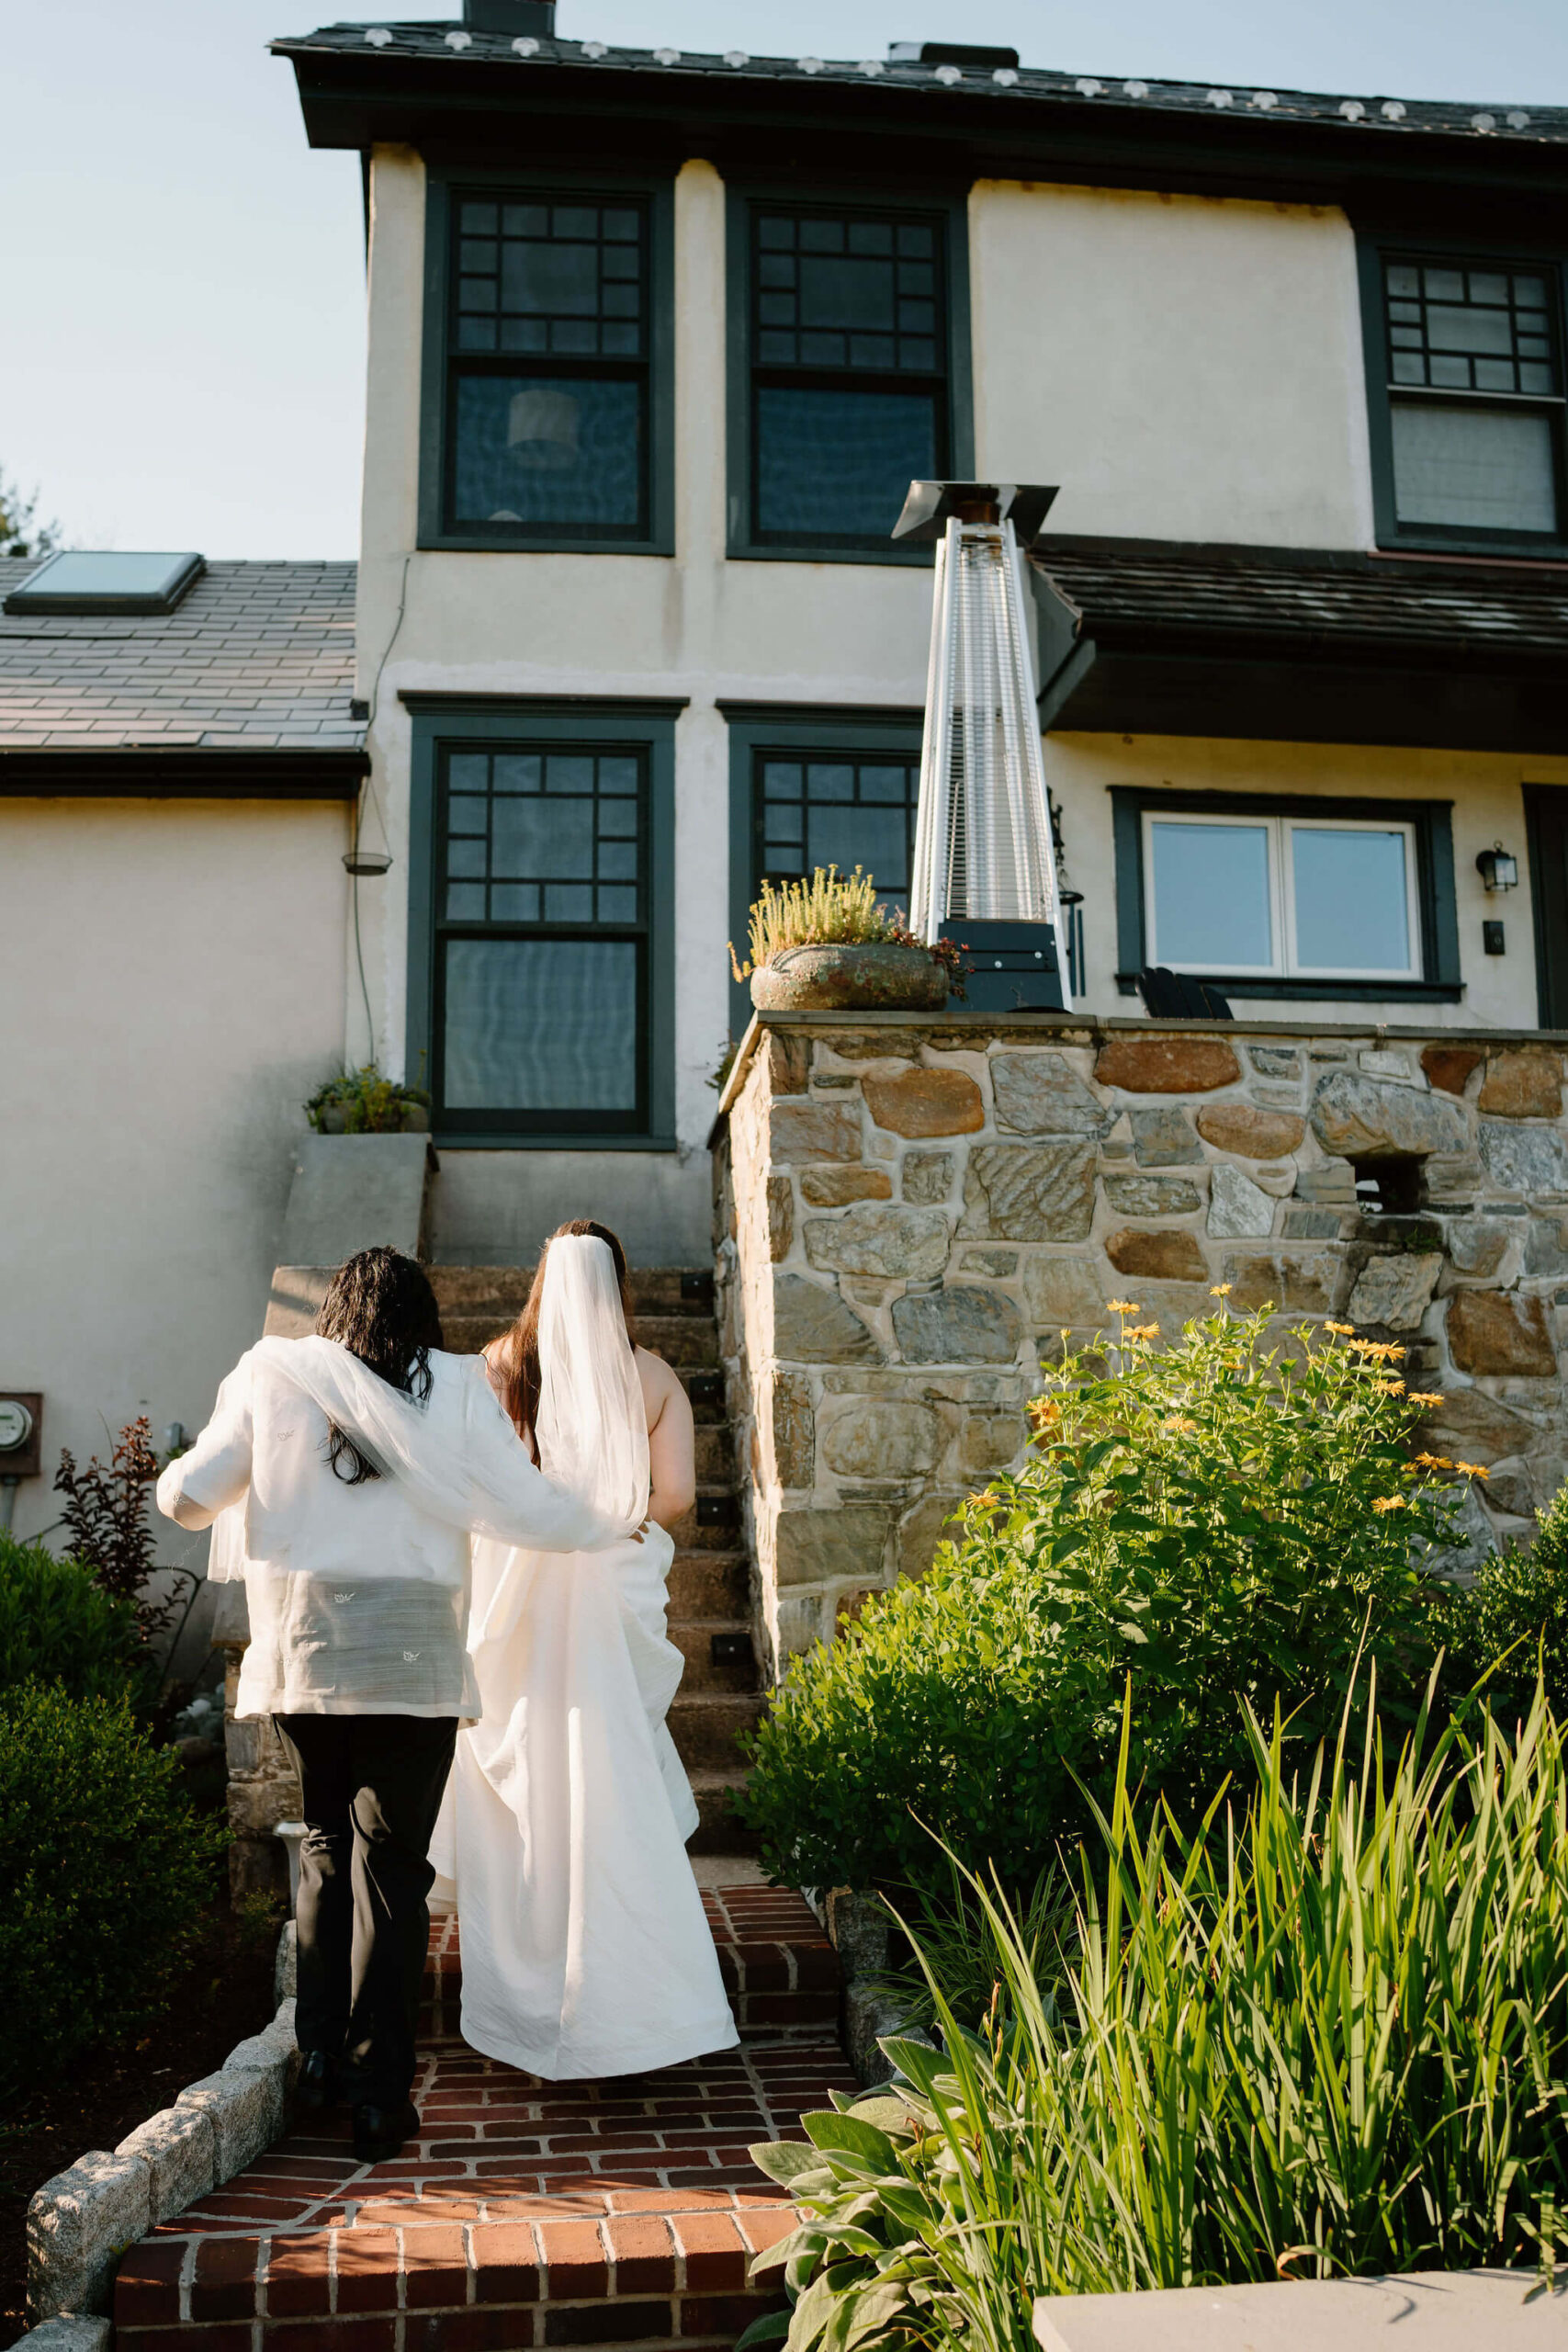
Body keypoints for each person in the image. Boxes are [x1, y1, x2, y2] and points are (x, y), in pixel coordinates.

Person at [156, 1246, 632, 2163]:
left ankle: (320, 2056)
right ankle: (380, 2097)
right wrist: (608, 1513)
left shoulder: (271, 1374)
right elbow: (528, 1504)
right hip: (411, 1655)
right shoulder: (454, 1387)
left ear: (331, 1311)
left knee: (326, 1847)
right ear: (425, 1318)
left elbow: (188, 1498)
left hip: (308, 1648)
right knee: (394, 1871)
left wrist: (201, 1469)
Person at [430, 1220, 739, 2077]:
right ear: (619, 1281)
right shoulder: (651, 1375)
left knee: (523, 1783)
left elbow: (473, 1481)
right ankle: (643, 2007)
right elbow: (672, 1496)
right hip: (607, 1593)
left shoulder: (498, 1364)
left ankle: (524, 2004)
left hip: (518, 1592)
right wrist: (610, 1517)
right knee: (609, 1787)